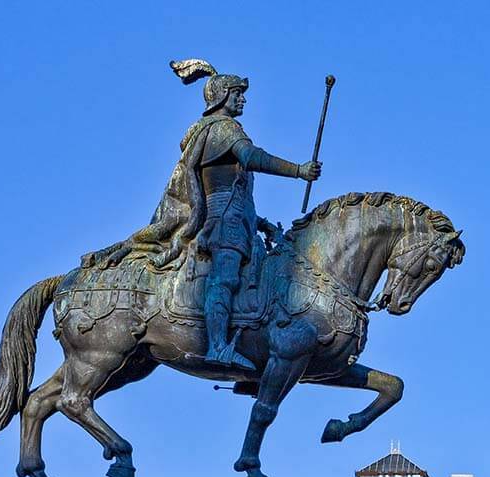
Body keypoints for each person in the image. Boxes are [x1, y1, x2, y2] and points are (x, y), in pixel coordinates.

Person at [88, 59, 321, 370]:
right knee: (224, 280)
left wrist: (259, 222)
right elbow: (252, 157)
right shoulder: (224, 129)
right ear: (222, 95)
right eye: (238, 93)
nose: (243, 99)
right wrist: (298, 171)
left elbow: (236, 192)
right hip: (223, 223)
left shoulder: (216, 132)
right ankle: (219, 347)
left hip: (238, 220)